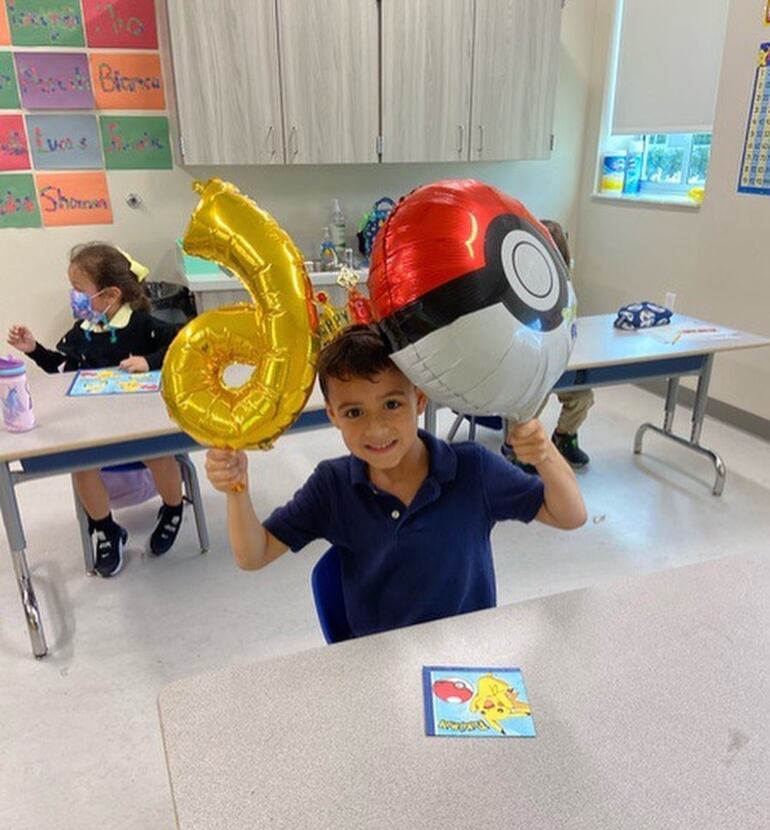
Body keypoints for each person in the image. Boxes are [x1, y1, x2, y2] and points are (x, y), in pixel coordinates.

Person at [205, 326, 586, 639]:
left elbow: (571, 516)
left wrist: (544, 455)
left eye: (392, 404)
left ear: (419, 399)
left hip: (469, 653)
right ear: (334, 416)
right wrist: (236, 489)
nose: (377, 428)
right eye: (354, 412)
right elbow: (253, 555)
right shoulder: (333, 485)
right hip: (379, 661)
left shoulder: (473, 470)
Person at [6, 242, 184, 578]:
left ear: (110, 294)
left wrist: (149, 361)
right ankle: (106, 529)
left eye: (78, 290)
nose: (74, 297)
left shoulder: (141, 324)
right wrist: (33, 349)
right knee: (82, 467)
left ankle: (174, 509)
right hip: (96, 427)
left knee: (162, 457)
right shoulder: (83, 331)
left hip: (142, 424)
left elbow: (180, 343)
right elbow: (63, 367)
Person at [503, 219, 595, 472]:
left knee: (582, 395)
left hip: (559, 363)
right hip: (527, 365)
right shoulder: (517, 281)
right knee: (531, 399)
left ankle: (564, 437)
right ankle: (515, 447)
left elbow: (570, 324)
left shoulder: (564, 287)